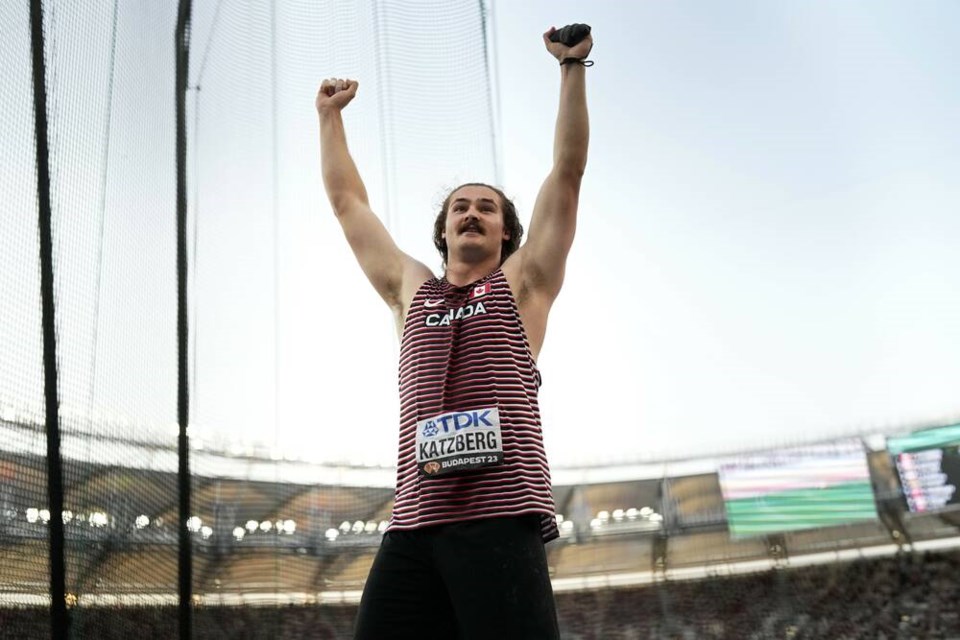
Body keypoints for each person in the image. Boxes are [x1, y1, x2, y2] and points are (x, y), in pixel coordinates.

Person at [316, 24, 592, 640]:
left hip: (500, 518)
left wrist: (572, 69)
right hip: (414, 524)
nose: (472, 212)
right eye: (460, 207)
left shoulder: (523, 286)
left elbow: (567, 174)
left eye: (487, 208)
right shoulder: (412, 289)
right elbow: (348, 205)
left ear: (506, 235)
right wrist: (329, 118)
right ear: (443, 232)